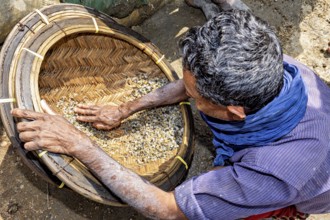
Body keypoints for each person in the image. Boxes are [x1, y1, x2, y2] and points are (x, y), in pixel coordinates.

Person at [11, 1, 330, 219]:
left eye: (195, 96)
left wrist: (80, 145)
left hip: (307, 187)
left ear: (234, 113)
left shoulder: (275, 173)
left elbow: (167, 209)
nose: (187, 94)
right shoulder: (274, 67)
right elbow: (193, 83)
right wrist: (126, 108)